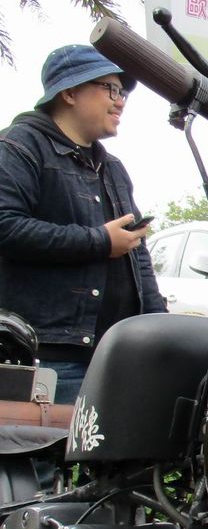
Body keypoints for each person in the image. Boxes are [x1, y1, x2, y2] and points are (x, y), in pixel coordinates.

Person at [0, 44, 166, 404]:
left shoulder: (113, 168)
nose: (120, 102)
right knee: (48, 441)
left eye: (122, 93)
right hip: (50, 356)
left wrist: (162, 327)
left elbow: (137, 256)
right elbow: (6, 226)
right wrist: (100, 242)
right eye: (110, 89)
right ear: (69, 92)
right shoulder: (19, 147)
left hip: (117, 354)